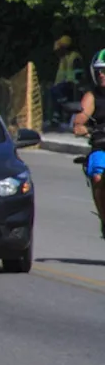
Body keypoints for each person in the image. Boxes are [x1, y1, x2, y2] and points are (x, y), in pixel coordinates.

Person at [71, 55, 105, 238]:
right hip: (102, 144)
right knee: (98, 175)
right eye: (99, 71)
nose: (102, 75)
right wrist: (82, 127)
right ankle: (104, 218)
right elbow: (80, 120)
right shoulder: (92, 96)